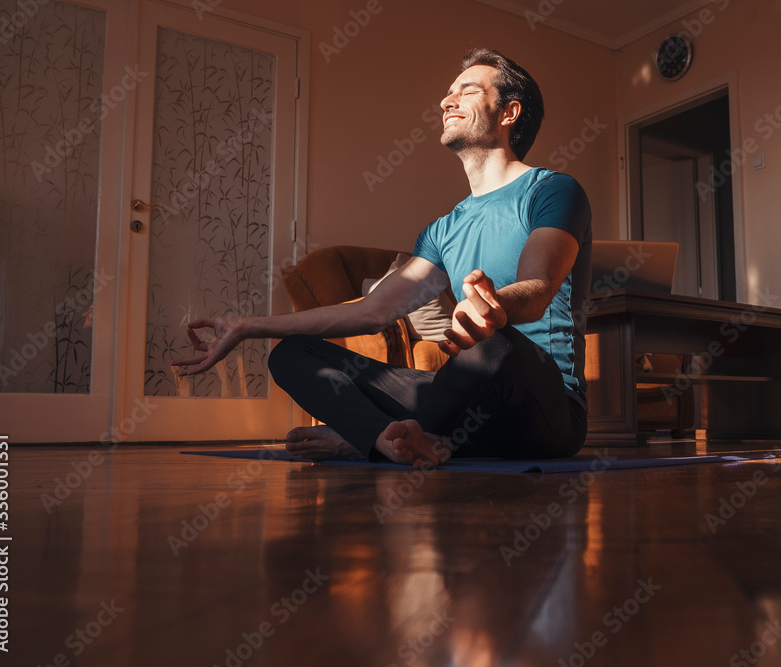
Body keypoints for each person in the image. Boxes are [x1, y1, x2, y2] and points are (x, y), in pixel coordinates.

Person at [173, 48, 593, 468]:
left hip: (544, 405)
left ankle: (370, 437)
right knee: (293, 353)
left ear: (509, 112)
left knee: (491, 342)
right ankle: (385, 439)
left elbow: (540, 286)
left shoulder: (552, 190)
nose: (447, 102)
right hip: (464, 402)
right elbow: (374, 311)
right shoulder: (443, 229)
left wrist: (496, 308)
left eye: (466, 91)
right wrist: (246, 327)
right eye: (448, 94)